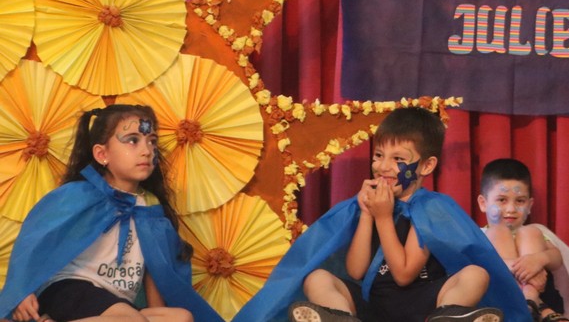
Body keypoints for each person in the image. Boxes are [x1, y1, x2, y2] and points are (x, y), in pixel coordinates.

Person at [235, 106, 525, 322]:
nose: (383, 166)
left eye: (398, 159)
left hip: (423, 307)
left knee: (476, 274)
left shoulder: (429, 208)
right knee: (317, 278)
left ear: (426, 166)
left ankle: (446, 319)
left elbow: (404, 274)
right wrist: (366, 214)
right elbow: (356, 271)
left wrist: (384, 218)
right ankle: (341, 318)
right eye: (378, 155)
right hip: (374, 307)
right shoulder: (372, 205)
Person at [0, 103, 221, 322]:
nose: (146, 150)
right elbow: (33, 242)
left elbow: (157, 268)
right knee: (130, 319)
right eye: (132, 140)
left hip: (115, 304)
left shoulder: (150, 208)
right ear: (102, 154)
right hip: (68, 290)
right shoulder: (80, 194)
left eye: (152, 141)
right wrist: (21, 291)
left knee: (181, 317)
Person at [475, 159, 569, 322]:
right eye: (502, 200)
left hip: (542, 293)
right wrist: (515, 266)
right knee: (497, 232)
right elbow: (476, 263)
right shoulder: (480, 234)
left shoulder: (535, 232)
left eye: (520, 201)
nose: (511, 209)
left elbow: (557, 257)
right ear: (483, 203)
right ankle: (538, 307)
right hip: (501, 301)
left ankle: (531, 298)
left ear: (529, 205)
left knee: (531, 231)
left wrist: (538, 259)